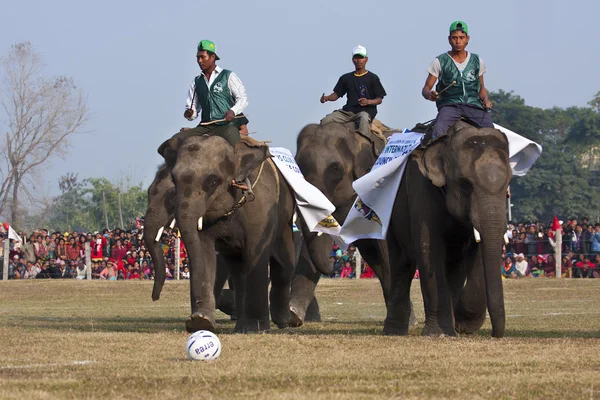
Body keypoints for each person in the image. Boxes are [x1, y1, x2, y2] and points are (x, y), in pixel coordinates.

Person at [158, 39, 249, 159]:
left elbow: (243, 98)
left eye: (202, 57)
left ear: (212, 57)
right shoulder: (196, 82)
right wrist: (190, 113)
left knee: (234, 140)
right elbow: (193, 112)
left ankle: (236, 175)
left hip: (226, 126)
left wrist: (232, 111)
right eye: (197, 58)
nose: (199, 61)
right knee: (174, 140)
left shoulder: (228, 76)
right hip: (205, 126)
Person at [422, 21, 494, 138]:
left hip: (473, 105)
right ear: (449, 39)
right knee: (438, 133)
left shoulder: (477, 61)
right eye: (455, 38)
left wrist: (485, 100)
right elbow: (425, 89)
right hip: (450, 105)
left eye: (461, 37)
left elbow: (482, 89)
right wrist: (430, 94)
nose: (458, 41)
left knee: (492, 135)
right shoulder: (440, 61)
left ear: (467, 39)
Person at [320, 45, 387, 141]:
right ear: (352, 60)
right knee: (326, 120)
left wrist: (368, 102)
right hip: (347, 112)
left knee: (364, 119)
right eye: (356, 58)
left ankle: (363, 145)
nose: (359, 60)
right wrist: (327, 98)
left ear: (366, 59)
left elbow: (379, 99)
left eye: (361, 57)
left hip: (364, 112)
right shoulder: (346, 78)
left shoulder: (373, 78)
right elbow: (337, 94)